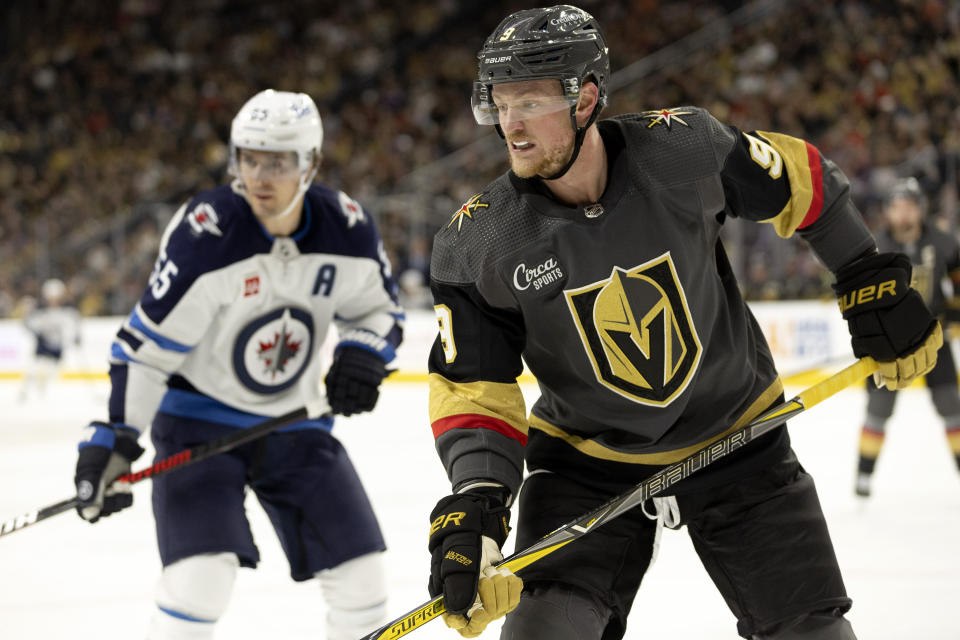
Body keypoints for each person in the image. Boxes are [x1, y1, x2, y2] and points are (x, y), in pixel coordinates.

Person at [423, 6, 941, 640]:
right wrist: (476, 508)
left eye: (529, 102)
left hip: (738, 435)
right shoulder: (477, 243)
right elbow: (474, 390)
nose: (511, 125)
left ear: (585, 97)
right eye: (500, 104)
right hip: (588, 461)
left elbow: (802, 179)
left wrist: (866, 275)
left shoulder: (684, 149)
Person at [72, 89, 403, 640]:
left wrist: (363, 352)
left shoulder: (347, 227)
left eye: (277, 162)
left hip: (294, 422)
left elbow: (380, 312)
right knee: (199, 583)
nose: (259, 176)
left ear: (312, 164)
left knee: (363, 581)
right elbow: (146, 348)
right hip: (198, 425)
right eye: (249, 158)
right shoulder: (207, 234)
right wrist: (115, 438)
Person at [854, 177, 960, 497]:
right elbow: (860, 300)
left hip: (935, 337)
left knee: (951, 406)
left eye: (910, 207)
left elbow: (957, 282)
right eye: (897, 207)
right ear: (888, 212)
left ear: (920, 210)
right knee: (878, 409)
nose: (903, 214)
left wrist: (954, 317)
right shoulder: (872, 248)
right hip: (889, 346)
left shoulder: (943, 242)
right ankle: (863, 476)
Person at [18, 278, 81, 402]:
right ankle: (25, 391)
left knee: (52, 371)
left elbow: (74, 325)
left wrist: (76, 337)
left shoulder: (67, 312)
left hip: (57, 349)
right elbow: (29, 325)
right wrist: (26, 316)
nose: (53, 300)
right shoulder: (40, 311)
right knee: (33, 368)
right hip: (43, 346)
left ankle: (41, 387)